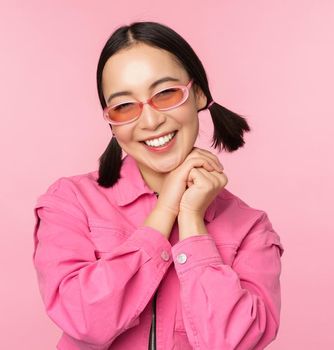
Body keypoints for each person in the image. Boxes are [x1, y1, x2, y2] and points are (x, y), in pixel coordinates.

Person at [31, 21, 285, 350]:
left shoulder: (251, 229)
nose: (150, 121)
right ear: (110, 120)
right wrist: (165, 211)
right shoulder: (69, 202)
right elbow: (83, 318)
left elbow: (232, 344)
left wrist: (192, 221)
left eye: (165, 94)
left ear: (198, 94)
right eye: (124, 106)